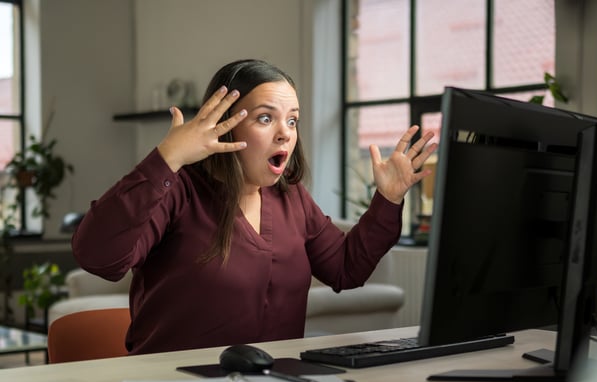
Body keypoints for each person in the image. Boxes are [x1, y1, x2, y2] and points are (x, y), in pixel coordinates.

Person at [72, 59, 436, 355]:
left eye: (292, 120)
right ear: (225, 126)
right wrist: (167, 158)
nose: (285, 133)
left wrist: (387, 198)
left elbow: (346, 269)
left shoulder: (292, 198)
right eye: (266, 118)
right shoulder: (178, 191)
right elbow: (98, 257)